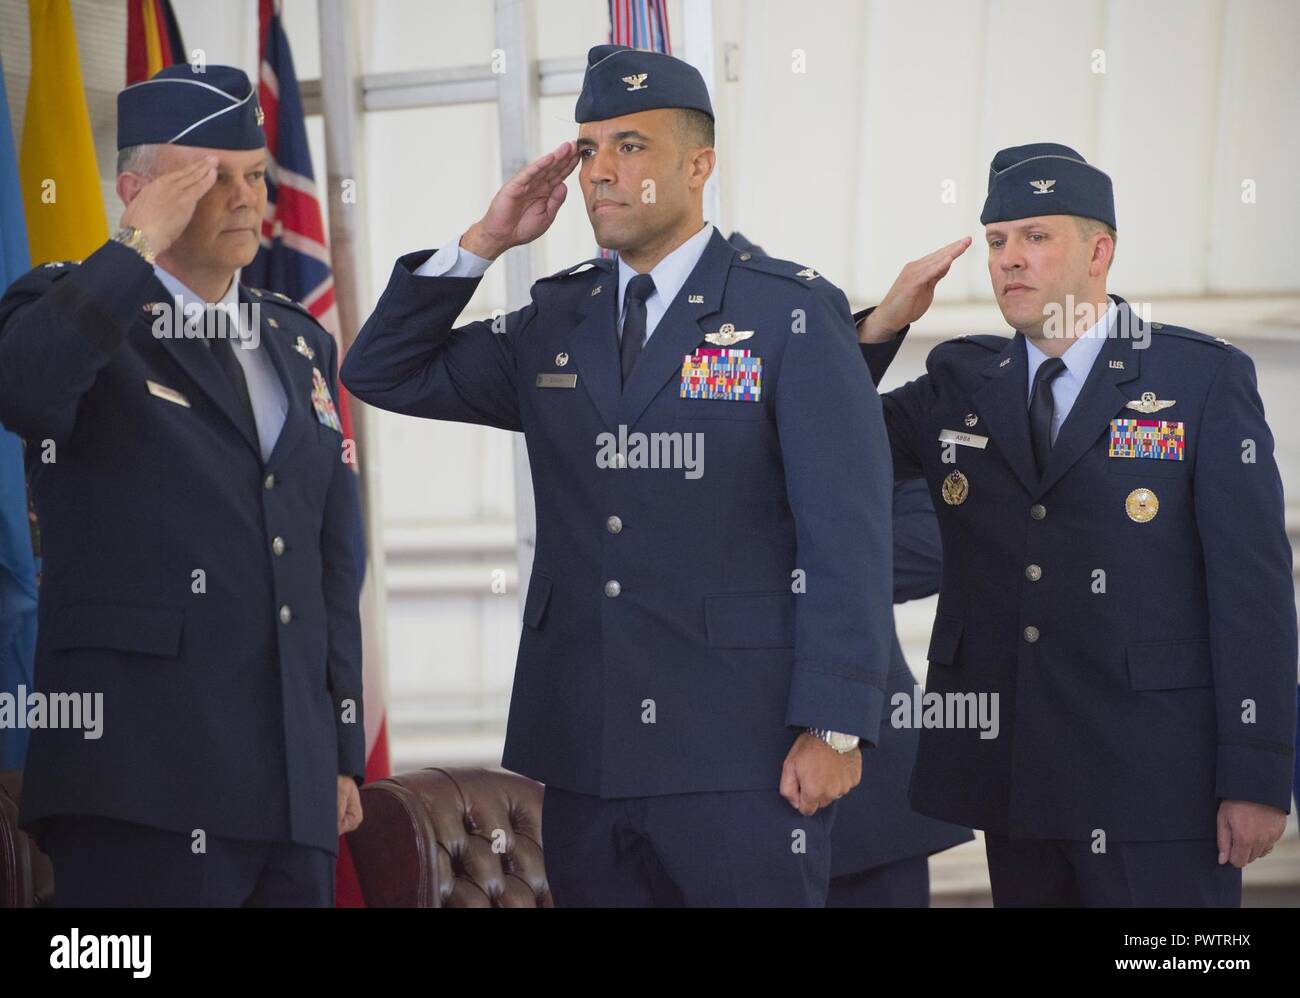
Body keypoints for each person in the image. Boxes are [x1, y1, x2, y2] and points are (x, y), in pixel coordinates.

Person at [342, 45, 894, 907]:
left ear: (699, 164)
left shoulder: (785, 310)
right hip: (588, 749)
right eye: (589, 148)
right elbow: (383, 372)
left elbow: (848, 534)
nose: (602, 171)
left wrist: (837, 725)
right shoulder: (560, 316)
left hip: (741, 755)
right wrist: (485, 241)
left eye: (630, 146)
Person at [855, 142, 1296, 906]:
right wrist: (882, 325)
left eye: (1036, 236)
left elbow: (1253, 595)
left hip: (1156, 783)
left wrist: (1257, 775)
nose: (1009, 260)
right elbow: (823, 442)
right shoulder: (960, 384)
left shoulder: (1198, 381)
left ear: (1100, 250)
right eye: (996, 242)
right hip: (1015, 778)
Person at [0, 64, 365, 906]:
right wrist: (132, 249)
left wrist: (337, 746)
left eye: (254, 175)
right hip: (143, 783)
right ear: (139, 190)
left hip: (292, 789)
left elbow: (331, 558)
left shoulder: (296, 342)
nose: (245, 198)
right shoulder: (73, 310)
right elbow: (23, 387)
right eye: (209, 176)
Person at [726, 233, 974, 906]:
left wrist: (823, 540)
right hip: (713, 791)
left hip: (865, 801)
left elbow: (937, 546)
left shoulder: (864, 438)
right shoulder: (685, 447)